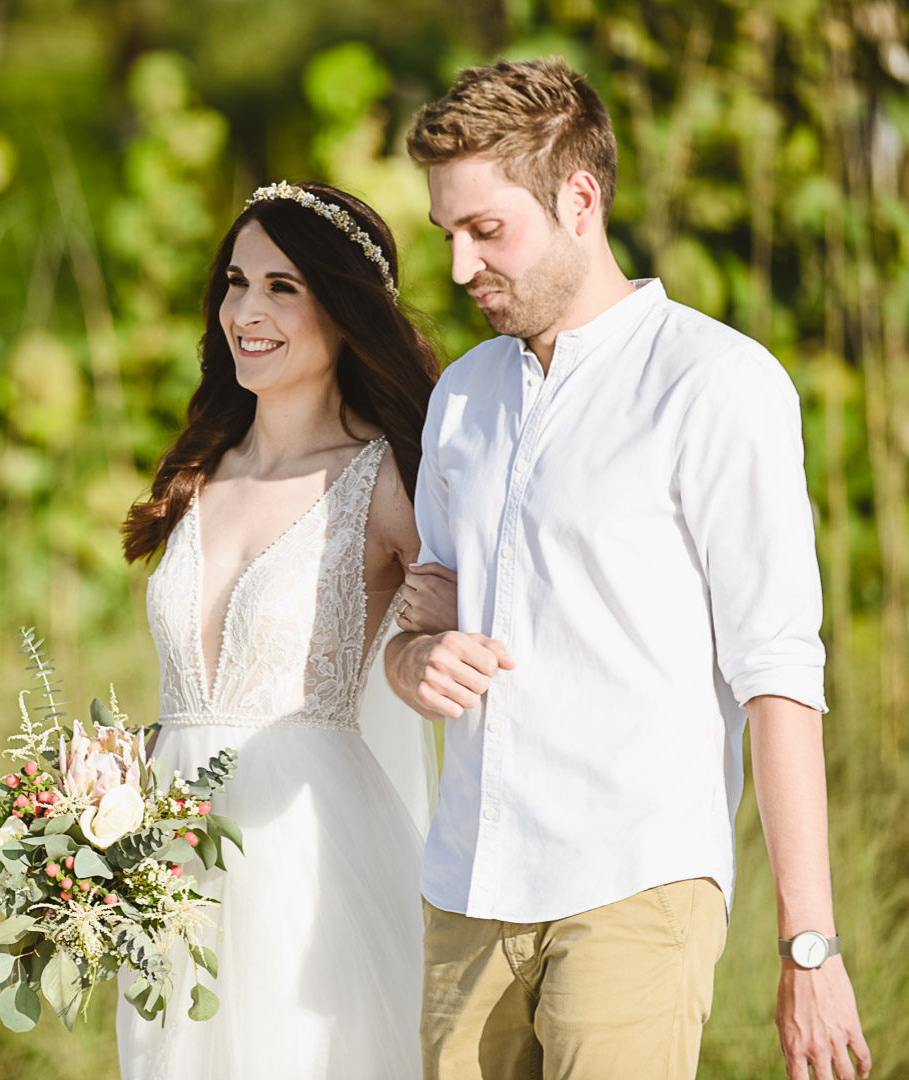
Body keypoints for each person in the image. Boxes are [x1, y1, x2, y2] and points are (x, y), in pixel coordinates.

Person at [389, 57, 872, 1080]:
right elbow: (424, 601)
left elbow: (778, 669)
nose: (462, 266)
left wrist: (810, 945)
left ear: (579, 197)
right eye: (449, 236)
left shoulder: (718, 385)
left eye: (488, 231)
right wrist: (414, 657)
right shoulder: (463, 397)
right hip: (465, 886)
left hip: (634, 881)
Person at [117, 180, 453, 1078]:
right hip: (171, 866)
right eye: (235, 281)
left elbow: (452, 648)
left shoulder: (388, 479)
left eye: (282, 287)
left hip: (310, 860)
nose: (245, 311)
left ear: (345, 310)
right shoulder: (198, 468)